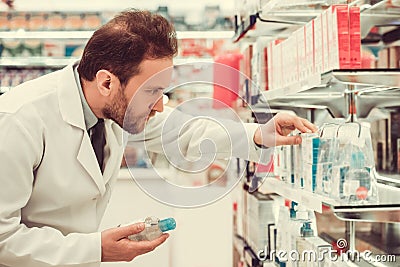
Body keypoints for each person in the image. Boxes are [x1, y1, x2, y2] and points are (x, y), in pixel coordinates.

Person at [0, 9, 317, 267]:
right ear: (106, 82)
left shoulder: (111, 109)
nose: (161, 103)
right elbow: (3, 240)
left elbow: (183, 130)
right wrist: (97, 248)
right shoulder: (18, 120)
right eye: (151, 91)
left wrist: (259, 133)